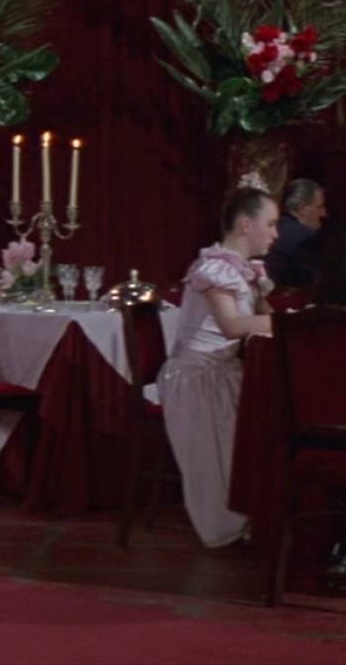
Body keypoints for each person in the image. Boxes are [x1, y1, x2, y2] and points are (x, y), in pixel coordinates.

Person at [156, 183, 278, 549]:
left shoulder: (246, 272)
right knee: (214, 459)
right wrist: (285, 323)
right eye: (271, 224)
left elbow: (263, 318)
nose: (275, 234)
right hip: (195, 376)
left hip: (223, 372)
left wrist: (268, 304)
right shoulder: (214, 269)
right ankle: (227, 524)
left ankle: (257, 515)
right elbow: (231, 325)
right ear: (245, 225)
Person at [264, 178, 326, 288]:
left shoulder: (273, 227)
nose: (323, 213)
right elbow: (315, 284)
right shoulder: (305, 237)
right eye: (319, 207)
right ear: (302, 209)